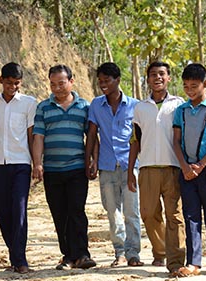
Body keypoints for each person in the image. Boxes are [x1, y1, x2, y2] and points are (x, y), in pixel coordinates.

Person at [32, 64, 96, 270]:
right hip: (52, 170)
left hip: (77, 168)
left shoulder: (84, 107)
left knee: (77, 211)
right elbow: (39, 136)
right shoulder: (43, 107)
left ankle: (83, 255)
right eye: (52, 84)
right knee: (59, 213)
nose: (57, 88)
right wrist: (38, 163)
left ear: (71, 81)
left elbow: (92, 137)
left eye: (61, 83)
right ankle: (68, 256)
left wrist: (93, 160)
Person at [127, 61, 186, 277]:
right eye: (153, 74)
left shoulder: (179, 105)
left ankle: (176, 261)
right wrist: (130, 170)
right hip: (148, 168)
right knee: (148, 213)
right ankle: (161, 250)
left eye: (162, 74)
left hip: (173, 168)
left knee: (175, 216)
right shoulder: (140, 107)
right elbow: (135, 140)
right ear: (148, 79)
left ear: (169, 77)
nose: (157, 78)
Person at [85, 62, 142, 268]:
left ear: (118, 80)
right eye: (100, 81)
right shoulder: (96, 105)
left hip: (130, 166)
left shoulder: (136, 106)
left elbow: (139, 138)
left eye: (107, 80)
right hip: (106, 166)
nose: (103, 85)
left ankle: (133, 252)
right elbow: (92, 134)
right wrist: (89, 160)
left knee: (131, 211)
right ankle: (120, 252)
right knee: (112, 212)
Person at [173, 63, 206, 276]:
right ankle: (193, 262)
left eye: (194, 86)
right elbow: (176, 142)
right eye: (186, 86)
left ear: (205, 84)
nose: (189, 90)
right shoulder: (181, 110)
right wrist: (185, 167)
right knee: (191, 216)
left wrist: (201, 164)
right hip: (186, 172)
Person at [0, 62, 37, 274]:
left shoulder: (29, 103)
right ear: (1, 81)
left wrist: (36, 163)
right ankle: (14, 252)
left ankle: (20, 259)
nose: (12, 87)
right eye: (8, 83)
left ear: (20, 83)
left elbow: (32, 135)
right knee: (2, 210)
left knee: (19, 209)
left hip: (21, 163)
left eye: (16, 83)